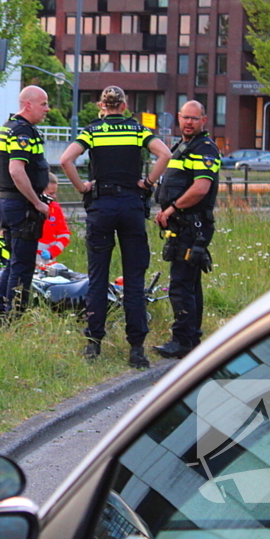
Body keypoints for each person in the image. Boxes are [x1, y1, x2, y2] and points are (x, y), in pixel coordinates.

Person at [61, 85, 171, 369]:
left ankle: (93, 344)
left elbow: (65, 160)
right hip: (132, 206)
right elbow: (165, 155)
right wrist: (148, 183)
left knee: (98, 276)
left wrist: (82, 187)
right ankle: (136, 350)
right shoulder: (137, 131)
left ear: (102, 105)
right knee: (133, 279)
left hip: (101, 206)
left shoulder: (92, 131)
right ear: (124, 106)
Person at [153, 101, 220, 360]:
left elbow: (200, 188)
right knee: (190, 283)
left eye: (194, 118)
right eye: (185, 118)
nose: (189, 122)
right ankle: (191, 337)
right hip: (182, 224)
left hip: (193, 224)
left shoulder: (204, 148)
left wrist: (170, 210)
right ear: (179, 119)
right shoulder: (182, 147)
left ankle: (181, 341)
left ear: (204, 120)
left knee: (181, 284)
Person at [0, 85, 51, 322]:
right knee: (23, 266)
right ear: (28, 105)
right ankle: (13, 317)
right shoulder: (22, 132)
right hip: (21, 207)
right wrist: (37, 203)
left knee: (15, 261)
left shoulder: (12, 127)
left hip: (10, 203)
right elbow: (17, 171)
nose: (47, 109)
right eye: (43, 103)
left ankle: (0, 312)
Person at [37, 173, 71, 266]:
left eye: (55, 193)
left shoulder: (55, 207)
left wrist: (52, 252)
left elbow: (64, 235)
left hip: (48, 261)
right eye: (51, 193)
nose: (54, 196)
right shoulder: (28, 207)